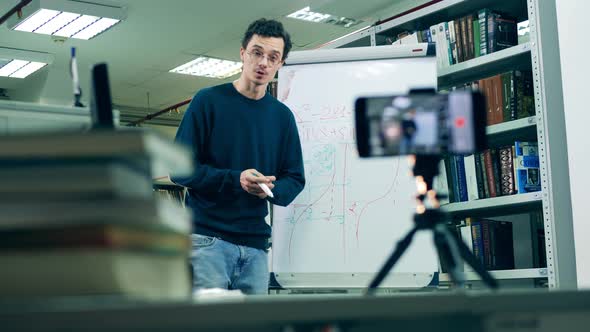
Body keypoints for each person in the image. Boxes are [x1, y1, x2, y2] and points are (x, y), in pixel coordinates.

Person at [171, 18, 305, 295]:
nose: (263, 62)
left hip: (256, 247)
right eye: (257, 52)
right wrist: (236, 179)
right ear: (243, 53)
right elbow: (179, 169)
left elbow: (295, 179)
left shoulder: (282, 117)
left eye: (273, 57)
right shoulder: (208, 101)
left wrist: (269, 190)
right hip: (207, 240)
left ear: (281, 64)